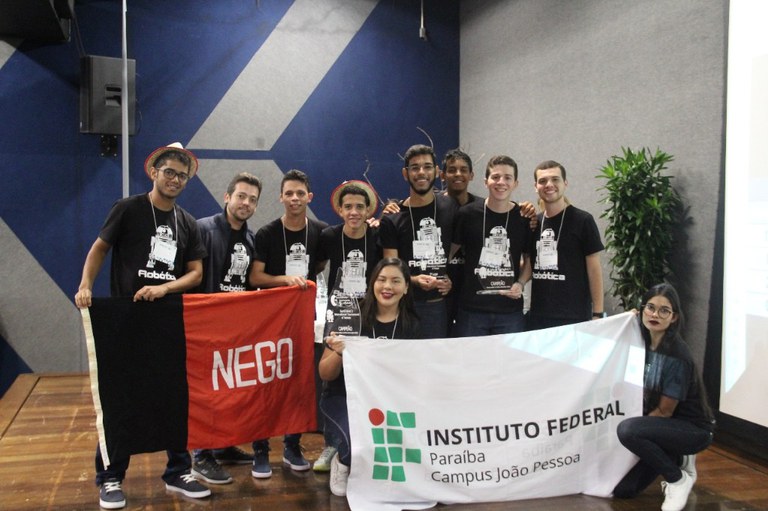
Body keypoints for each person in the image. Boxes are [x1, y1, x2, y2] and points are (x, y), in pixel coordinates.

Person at [74, 142, 210, 509]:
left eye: (182, 176)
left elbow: (195, 274)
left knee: (174, 397)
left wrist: (165, 288)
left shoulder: (187, 221)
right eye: (169, 172)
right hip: (126, 319)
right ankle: (110, 476)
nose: (175, 180)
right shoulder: (128, 208)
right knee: (120, 400)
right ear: (153, 172)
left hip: (168, 321)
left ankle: (178, 471)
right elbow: (99, 248)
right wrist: (85, 285)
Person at [248, 169, 328, 478]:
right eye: (289, 193)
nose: (295, 198)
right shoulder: (267, 233)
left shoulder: (320, 231)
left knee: (298, 383)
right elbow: (255, 277)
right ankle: (260, 449)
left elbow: (319, 265)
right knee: (266, 383)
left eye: (300, 193)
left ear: (310, 197)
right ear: (281, 197)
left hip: (302, 317)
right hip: (269, 318)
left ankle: (292, 446)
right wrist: (285, 280)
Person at [318, 258, 422, 497]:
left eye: (396, 281)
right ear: (372, 283)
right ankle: (342, 460)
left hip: (388, 400)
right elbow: (324, 373)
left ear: (406, 287)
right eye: (381, 280)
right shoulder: (351, 317)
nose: (388, 287)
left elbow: (413, 374)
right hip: (343, 397)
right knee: (356, 440)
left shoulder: (412, 325)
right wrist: (339, 351)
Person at [613, 283, 715, 511]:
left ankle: (677, 480)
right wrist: (627, 321)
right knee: (624, 490)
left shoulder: (677, 355)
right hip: (661, 427)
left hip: (691, 429)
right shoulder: (642, 341)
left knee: (627, 430)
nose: (655, 315)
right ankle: (678, 458)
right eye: (650, 307)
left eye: (664, 311)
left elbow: (664, 412)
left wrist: (635, 434)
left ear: (674, 317)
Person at [190, 172, 263, 485]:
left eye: (252, 199)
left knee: (227, 391)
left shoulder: (251, 239)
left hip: (234, 329)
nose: (246, 203)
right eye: (241, 196)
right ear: (227, 196)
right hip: (205, 326)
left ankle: (222, 445)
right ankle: (200, 456)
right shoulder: (202, 229)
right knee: (205, 393)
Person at [314, 181, 382, 472]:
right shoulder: (329, 236)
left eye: (360, 207)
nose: (354, 212)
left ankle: (365, 441)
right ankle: (331, 444)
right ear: (340, 210)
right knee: (332, 376)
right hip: (338, 314)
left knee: (368, 377)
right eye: (348, 207)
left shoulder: (378, 235)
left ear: (368, 211)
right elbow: (317, 265)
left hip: (370, 315)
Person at [378, 144, 456, 338]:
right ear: (406, 174)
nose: (421, 172)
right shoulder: (393, 218)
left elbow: (457, 247)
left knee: (434, 356)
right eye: (415, 167)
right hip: (403, 305)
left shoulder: (451, 207)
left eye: (427, 167)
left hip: (437, 306)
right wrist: (414, 280)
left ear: (436, 172)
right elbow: (391, 267)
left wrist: (447, 277)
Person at [450, 155, 532, 336]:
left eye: (507, 177)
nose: (501, 182)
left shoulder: (523, 218)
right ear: (485, 181)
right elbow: (451, 254)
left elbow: (530, 260)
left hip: (510, 312)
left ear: (515, 183)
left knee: (509, 356)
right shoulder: (467, 214)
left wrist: (520, 283)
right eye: (495, 177)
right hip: (472, 311)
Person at [526, 160, 605, 330]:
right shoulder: (534, 223)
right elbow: (529, 265)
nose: (549, 184)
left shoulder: (583, 220)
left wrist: (598, 313)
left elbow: (594, 269)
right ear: (536, 187)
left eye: (555, 179)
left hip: (574, 317)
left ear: (565, 183)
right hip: (539, 316)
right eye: (543, 181)